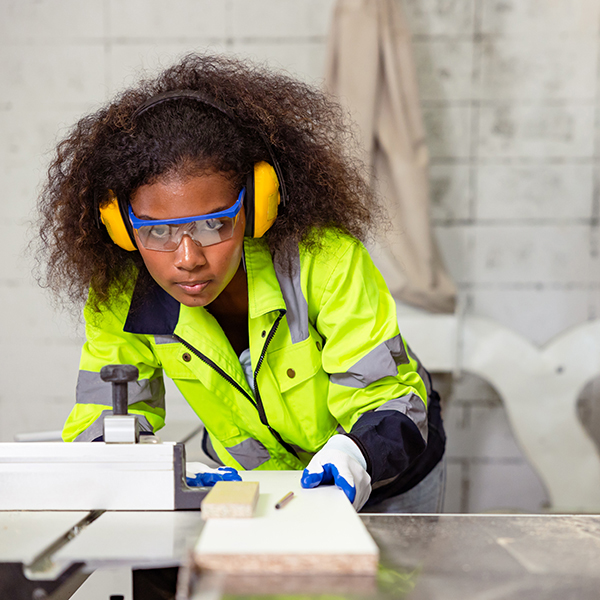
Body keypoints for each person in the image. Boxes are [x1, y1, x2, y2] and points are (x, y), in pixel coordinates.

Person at [34, 53, 446, 512]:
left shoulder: (324, 262)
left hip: (387, 474)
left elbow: (388, 398)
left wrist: (356, 455)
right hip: (255, 483)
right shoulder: (120, 297)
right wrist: (147, 464)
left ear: (257, 205)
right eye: (156, 231)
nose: (188, 259)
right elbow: (103, 420)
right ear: (119, 227)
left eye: (213, 225)